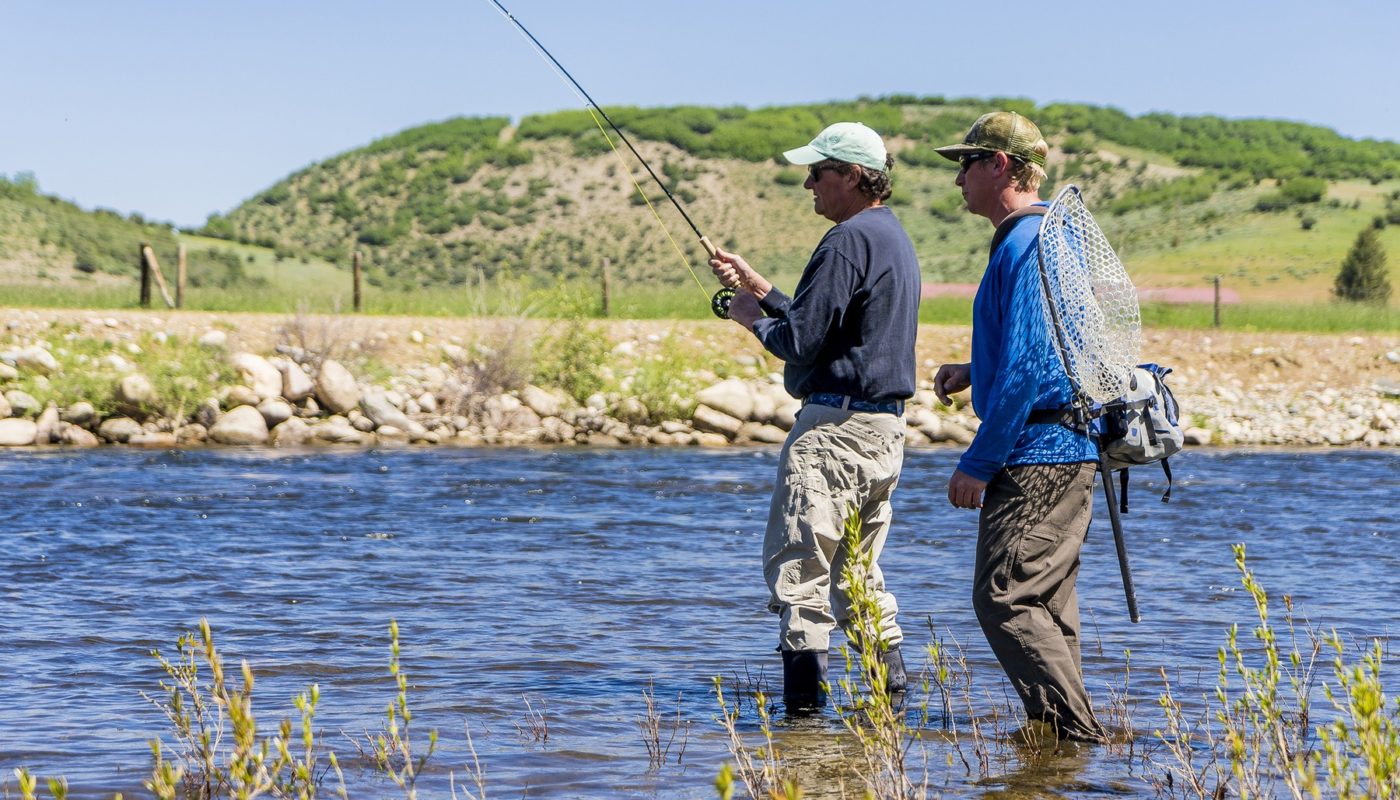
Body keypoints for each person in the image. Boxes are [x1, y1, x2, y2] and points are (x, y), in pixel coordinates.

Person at [708, 122, 920, 711]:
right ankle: (891, 712)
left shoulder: (846, 240)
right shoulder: (890, 237)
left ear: (852, 176)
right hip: (882, 434)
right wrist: (762, 289)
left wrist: (750, 317)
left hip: (833, 435)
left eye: (818, 172)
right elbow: (833, 327)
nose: (808, 184)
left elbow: (800, 342)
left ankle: (803, 728)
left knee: (801, 578)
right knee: (859, 580)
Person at [930, 111, 1107, 741]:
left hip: (1039, 452)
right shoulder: (1045, 236)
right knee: (1047, 604)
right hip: (1067, 446)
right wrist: (976, 367)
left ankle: (1079, 736)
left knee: (1004, 597)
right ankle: (1057, 753)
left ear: (999, 166)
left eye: (966, 164)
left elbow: (1032, 363)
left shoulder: (1025, 241)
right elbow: (1043, 347)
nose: (959, 180)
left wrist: (978, 462)